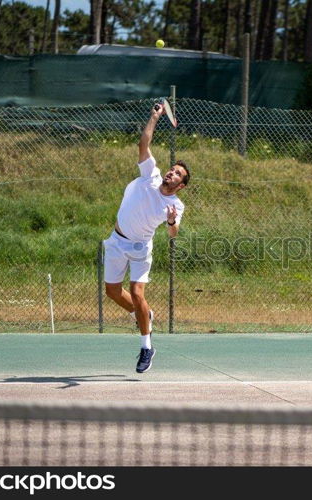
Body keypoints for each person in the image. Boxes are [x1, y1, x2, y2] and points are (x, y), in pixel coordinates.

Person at [103, 103, 190, 373]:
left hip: (141, 248)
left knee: (138, 294)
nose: (171, 172)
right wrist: (154, 118)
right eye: (172, 169)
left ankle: (146, 346)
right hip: (117, 241)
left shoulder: (176, 205)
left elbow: (173, 233)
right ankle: (145, 316)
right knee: (112, 292)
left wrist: (173, 221)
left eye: (178, 173)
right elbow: (144, 143)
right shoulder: (149, 175)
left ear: (182, 185)